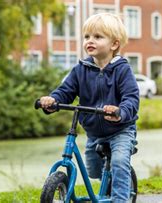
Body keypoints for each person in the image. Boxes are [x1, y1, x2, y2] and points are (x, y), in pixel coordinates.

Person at [39, 13, 139, 202]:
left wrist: (120, 112)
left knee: (118, 163)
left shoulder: (122, 70)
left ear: (114, 44)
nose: (90, 41)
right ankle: (110, 182)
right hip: (94, 132)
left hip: (120, 129)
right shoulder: (80, 70)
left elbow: (131, 98)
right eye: (87, 37)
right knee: (93, 168)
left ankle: (120, 198)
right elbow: (65, 91)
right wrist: (52, 101)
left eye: (98, 37)